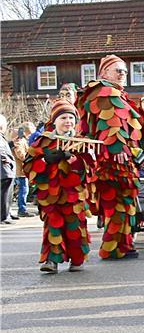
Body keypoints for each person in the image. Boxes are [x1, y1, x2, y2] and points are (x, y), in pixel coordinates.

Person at [78, 55, 143, 260]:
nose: (123, 73)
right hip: (113, 162)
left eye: (124, 70)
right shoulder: (106, 92)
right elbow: (111, 128)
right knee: (116, 203)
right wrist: (120, 153)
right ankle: (113, 247)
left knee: (123, 204)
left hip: (122, 161)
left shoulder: (116, 94)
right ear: (104, 73)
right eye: (118, 70)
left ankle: (122, 245)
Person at [24, 99, 95, 273]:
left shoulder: (81, 142)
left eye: (71, 118)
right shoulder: (43, 141)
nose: (67, 121)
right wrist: (45, 160)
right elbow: (28, 165)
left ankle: (77, 260)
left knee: (75, 226)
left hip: (74, 193)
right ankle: (51, 260)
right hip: (50, 193)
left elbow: (91, 168)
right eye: (63, 118)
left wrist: (75, 160)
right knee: (53, 226)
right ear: (54, 120)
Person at [12, 125, 32, 218]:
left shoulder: (21, 141)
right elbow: (21, 155)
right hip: (21, 170)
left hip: (22, 170)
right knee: (23, 190)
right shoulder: (19, 142)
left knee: (24, 190)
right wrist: (29, 158)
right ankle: (22, 209)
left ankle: (22, 209)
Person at [0, 118, 15, 225]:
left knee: (6, 194)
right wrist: (7, 160)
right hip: (5, 170)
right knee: (5, 194)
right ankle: (4, 215)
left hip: (6, 170)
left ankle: (6, 213)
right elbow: (1, 151)